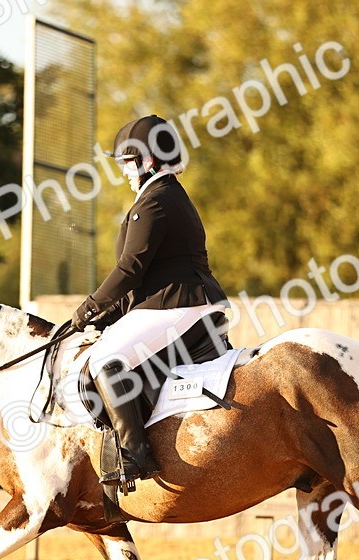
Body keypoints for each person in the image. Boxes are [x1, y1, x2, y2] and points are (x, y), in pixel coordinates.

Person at [71, 115, 230, 486]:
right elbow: (143, 275)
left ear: (149, 160)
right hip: (178, 301)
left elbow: (130, 268)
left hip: (181, 304)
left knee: (105, 361)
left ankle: (135, 455)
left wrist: (91, 306)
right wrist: (107, 312)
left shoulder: (156, 202)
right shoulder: (165, 196)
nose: (124, 171)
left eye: (127, 162)